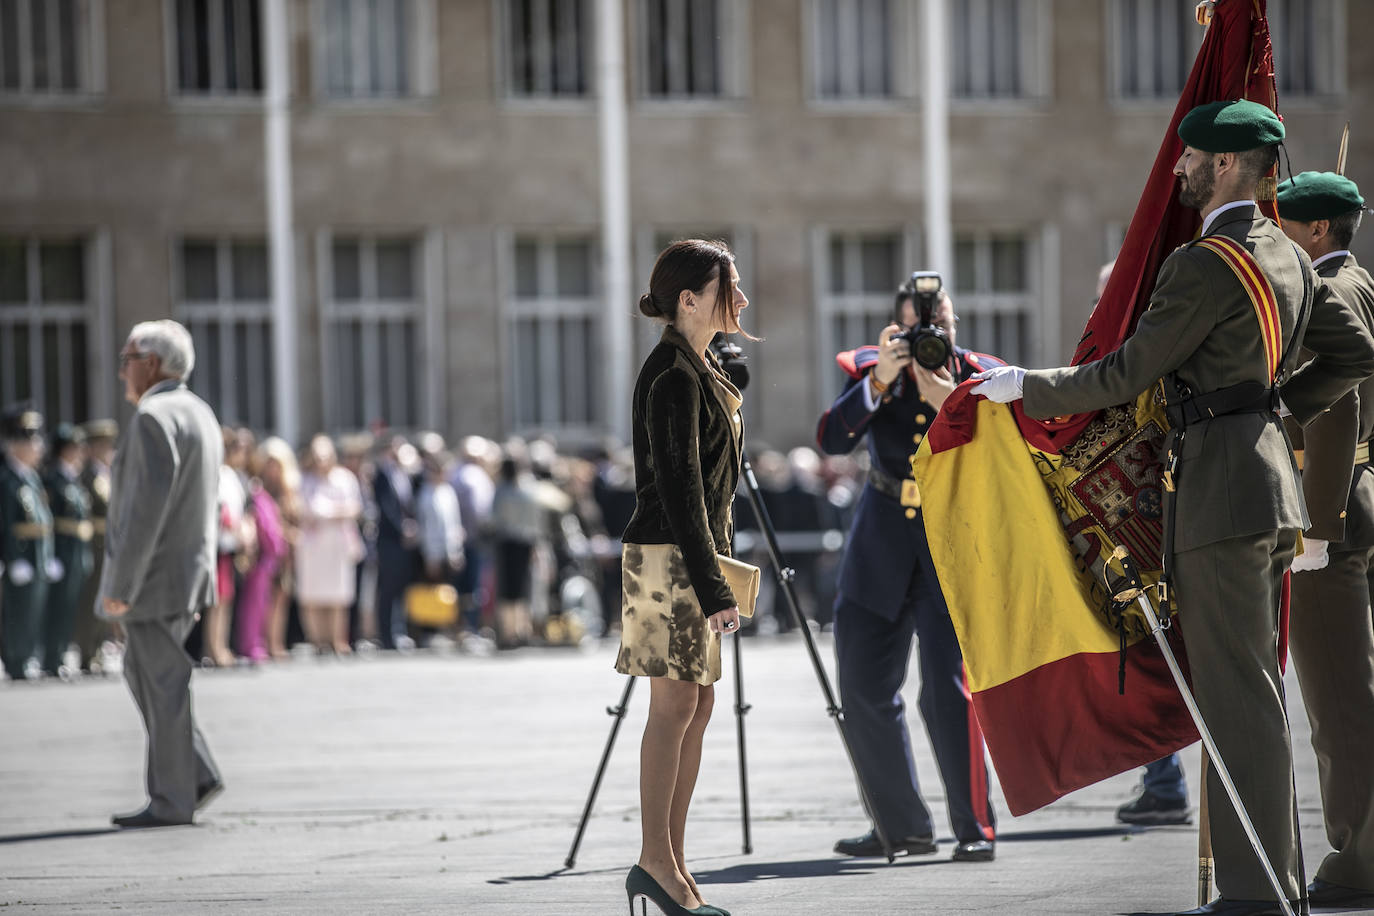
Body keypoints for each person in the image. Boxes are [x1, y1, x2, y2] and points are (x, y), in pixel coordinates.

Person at [971, 101, 1374, 916]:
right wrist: (1274, 408)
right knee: (1251, 689)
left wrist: (1023, 387)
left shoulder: (1204, 264)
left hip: (1221, 495)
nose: (1178, 168)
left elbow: (1126, 373)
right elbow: (1354, 352)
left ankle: (1256, 892)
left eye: (1189, 157)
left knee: (1236, 696)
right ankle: (1269, 879)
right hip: (1267, 487)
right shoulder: (1285, 253)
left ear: (1225, 164)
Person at [815, 278, 999, 863]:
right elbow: (831, 439)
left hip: (950, 542)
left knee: (949, 692)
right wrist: (878, 380)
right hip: (880, 542)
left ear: (954, 323)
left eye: (938, 321)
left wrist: (952, 397)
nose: (928, 333)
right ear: (896, 331)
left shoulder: (980, 375)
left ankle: (974, 826)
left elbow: (1010, 445)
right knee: (862, 686)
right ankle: (900, 826)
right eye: (915, 327)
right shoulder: (874, 371)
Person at [616, 239, 749, 916]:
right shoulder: (672, 373)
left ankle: (671, 862)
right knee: (672, 710)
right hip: (667, 560)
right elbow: (680, 492)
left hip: (688, 559)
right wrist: (715, 586)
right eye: (729, 288)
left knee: (696, 708)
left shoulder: (699, 365)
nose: (742, 299)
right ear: (690, 300)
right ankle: (656, 863)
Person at [1276, 170, 1374, 910]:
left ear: (1316, 231)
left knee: (1338, 698)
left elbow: (1335, 408)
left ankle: (1357, 859)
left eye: (1282, 226)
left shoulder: (1325, 294)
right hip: (1361, 490)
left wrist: (1316, 528)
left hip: (1330, 504)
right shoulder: (1363, 282)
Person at [99, 319, 224, 828]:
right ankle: (195, 772)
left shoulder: (154, 416)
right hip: (186, 572)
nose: (122, 372)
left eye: (127, 360)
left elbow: (144, 514)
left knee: (162, 683)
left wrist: (120, 587)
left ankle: (173, 798)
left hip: (155, 578)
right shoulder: (198, 411)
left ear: (151, 364)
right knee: (146, 674)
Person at [1089, 260, 1193, 828]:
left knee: (1182, 649)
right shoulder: (1100, 354)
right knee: (1145, 646)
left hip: (1174, 518)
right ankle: (1163, 780)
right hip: (1125, 528)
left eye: (1112, 298)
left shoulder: (1159, 348)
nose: (1103, 310)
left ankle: (1180, 780)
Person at [295, 434, 365, 655]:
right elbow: (299, 509)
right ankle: (318, 640)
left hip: (337, 543)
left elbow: (355, 508)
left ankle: (337, 640)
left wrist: (331, 512)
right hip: (313, 545)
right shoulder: (305, 480)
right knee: (312, 595)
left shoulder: (344, 478)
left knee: (338, 594)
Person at [1, 405, 53, 682]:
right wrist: (12, 559)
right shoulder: (6, 480)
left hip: (36, 556)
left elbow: (43, 522)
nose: (38, 446)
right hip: (20, 557)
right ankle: (15, 660)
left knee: (32, 610)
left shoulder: (31, 478)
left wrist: (47, 556)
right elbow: (5, 524)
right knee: (17, 612)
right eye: (31, 441)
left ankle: (27, 656)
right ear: (15, 445)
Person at [235, 437, 295, 664]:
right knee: (255, 603)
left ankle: (273, 642)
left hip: (279, 554)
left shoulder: (286, 491)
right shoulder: (256, 490)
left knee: (276, 600)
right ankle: (252, 644)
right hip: (261, 555)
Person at [42, 422, 94, 678]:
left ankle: (61, 655)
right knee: (58, 608)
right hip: (61, 551)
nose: (80, 452)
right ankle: (51, 658)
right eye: (76, 447)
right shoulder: (53, 479)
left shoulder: (73, 479)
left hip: (76, 551)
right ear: (64, 449)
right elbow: (49, 520)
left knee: (71, 607)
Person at [73, 419, 117, 673]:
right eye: (102, 445)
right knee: (91, 600)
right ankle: (87, 651)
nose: (107, 450)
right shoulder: (87, 476)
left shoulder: (106, 474)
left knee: (105, 599)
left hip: (108, 545)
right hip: (95, 544)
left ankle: (98, 647)